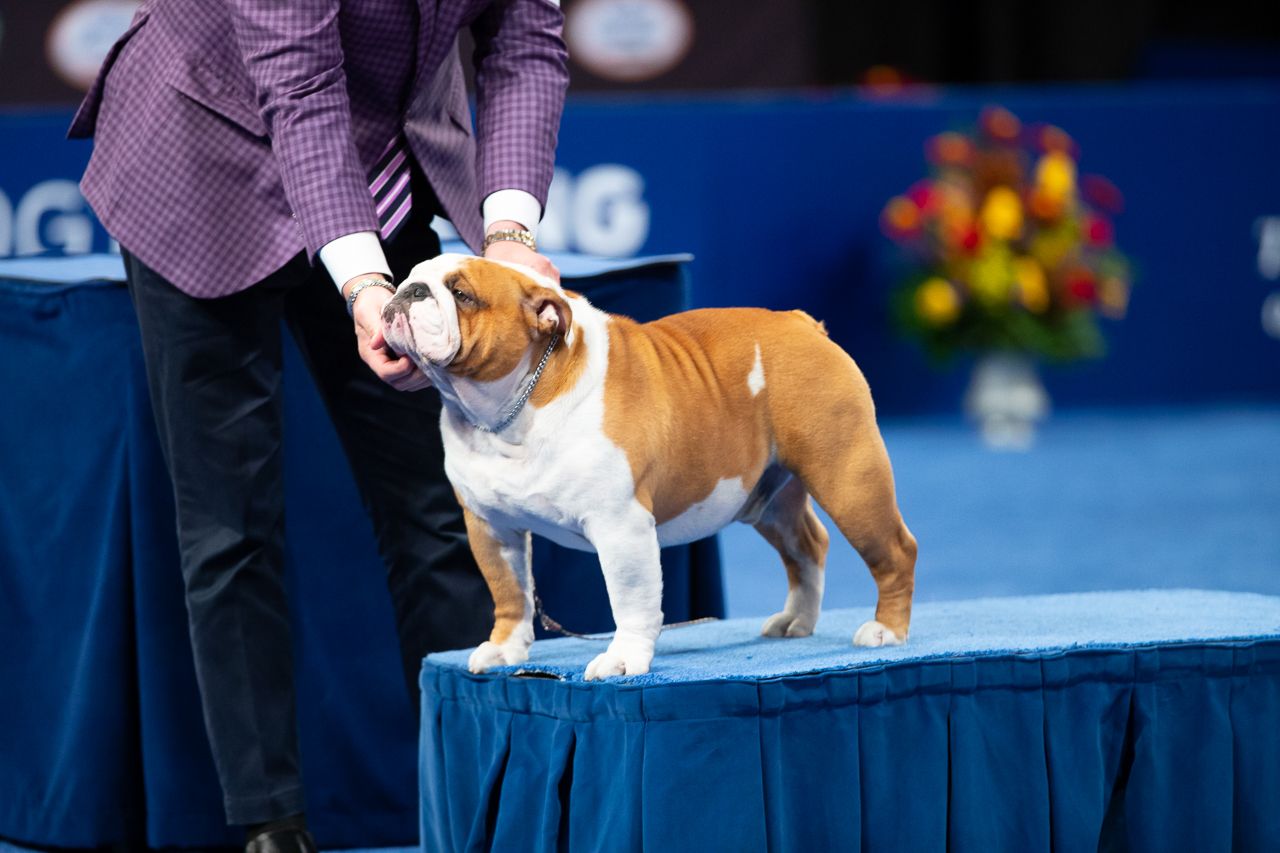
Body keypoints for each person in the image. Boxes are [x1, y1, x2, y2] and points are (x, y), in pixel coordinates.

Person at [68, 1, 568, 850]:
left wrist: (509, 232)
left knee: (444, 503)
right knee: (232, 524)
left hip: (380, 158)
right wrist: (365, 286)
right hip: (203, 152)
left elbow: (526, 40)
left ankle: (486, 803)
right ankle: (273, 826)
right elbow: (299, 87)